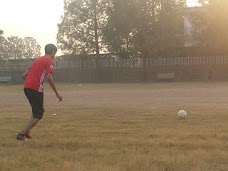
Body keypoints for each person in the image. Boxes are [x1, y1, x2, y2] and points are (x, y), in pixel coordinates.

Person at [16, 44, 63, 140]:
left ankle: (27, 132)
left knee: (35, 111)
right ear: (53, 52)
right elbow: (49, 78)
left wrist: (30, 80)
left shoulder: (38, 59)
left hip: (27, 87)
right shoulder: (49, 60)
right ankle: (21, 134)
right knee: (39, 113)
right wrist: (57, 93)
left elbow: (24, 75)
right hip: (36, 88)